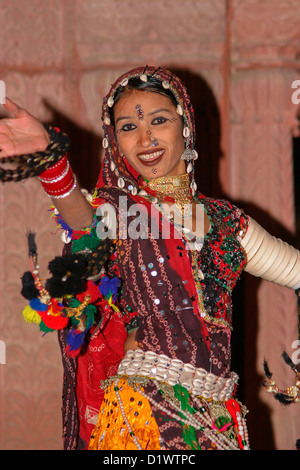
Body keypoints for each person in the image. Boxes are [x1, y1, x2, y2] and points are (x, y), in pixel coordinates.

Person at [0, 66, 300, 451]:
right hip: (144, 412)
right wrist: (52, 164)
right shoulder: (122, 212)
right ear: (115, 142)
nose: (145, 138)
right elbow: (85, 223)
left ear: (185, 127)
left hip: (220, 418)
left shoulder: (228, 221)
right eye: (127, 127)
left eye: (159, 121)